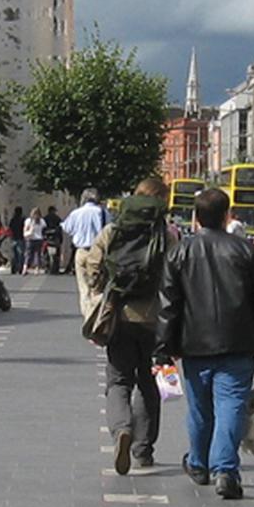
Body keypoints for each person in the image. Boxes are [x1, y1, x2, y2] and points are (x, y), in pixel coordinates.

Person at [156, 187, 254, 500]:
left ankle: (198, 463)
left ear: (195, 218)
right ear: (226, 216)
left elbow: (169, 306)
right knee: (231, 405)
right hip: (238, 342)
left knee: (200, 409)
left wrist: (162, 349)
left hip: (193, 345)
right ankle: (225, 470)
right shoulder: (245, 250)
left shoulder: (180, 252)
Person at [83, 175, 170, 474]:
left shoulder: (113, 230)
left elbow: (92, 264)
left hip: (119, 315)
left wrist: (101, 290)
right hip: (155, 319)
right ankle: (143, 450)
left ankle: (121, 428)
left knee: (119, 379)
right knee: (148, 382)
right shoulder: (167, 234)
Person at [63, 189, 107, 264]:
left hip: (81, 250)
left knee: (81, 275)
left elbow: (67, 228)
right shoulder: (103, 212)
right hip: (97, 251)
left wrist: (77, 232)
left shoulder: (75, 213)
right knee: (95, 274)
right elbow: (110, 229)